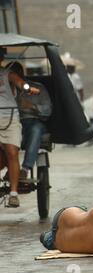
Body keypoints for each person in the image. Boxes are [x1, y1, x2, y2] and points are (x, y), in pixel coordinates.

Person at [0, 48, 40, 208]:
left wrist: (28, 89)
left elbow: (21, 83)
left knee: (12, 152)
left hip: (10, 117)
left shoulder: (7, 73)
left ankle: (14, 194)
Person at [7, 62, 52, 179]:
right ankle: (10, 168)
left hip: (34, 121)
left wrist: (32, 106)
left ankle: (25, 169)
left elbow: (48, 111)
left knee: (35, 129)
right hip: (12, 122)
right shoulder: (4, 92)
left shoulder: (37, 87)